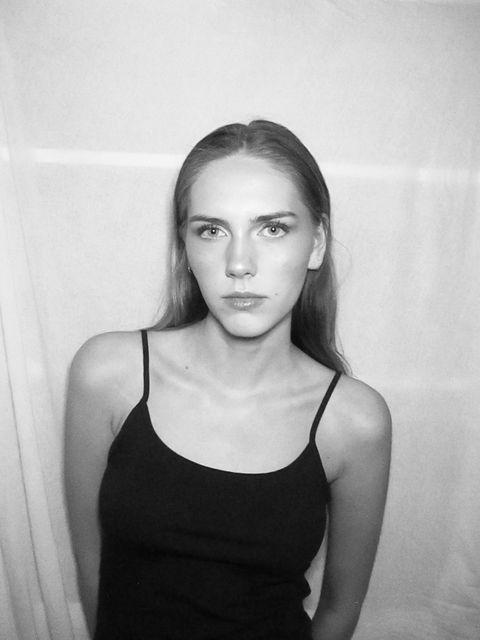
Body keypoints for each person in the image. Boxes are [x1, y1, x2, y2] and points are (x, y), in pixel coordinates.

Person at [65, 120, 391, 640]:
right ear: (185, 247)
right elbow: (94, 573)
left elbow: (338, 611)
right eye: (212, 231)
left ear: (316, 244)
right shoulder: (107, 375)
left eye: (273, 228)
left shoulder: (354, 422)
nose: (239, 263)